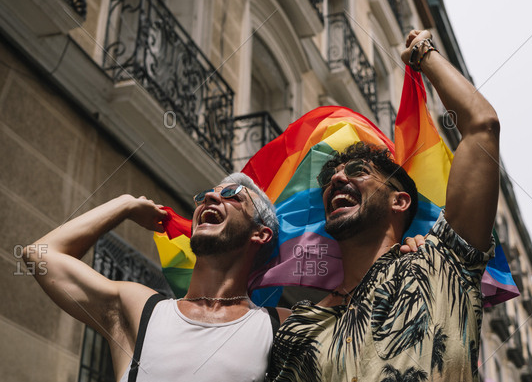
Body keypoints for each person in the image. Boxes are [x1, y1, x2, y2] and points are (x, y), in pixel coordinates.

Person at [267, 29, 500, 382]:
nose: (337, 180)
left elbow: (482, 125)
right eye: (331, 179)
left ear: (400, 200)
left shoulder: (443, 264)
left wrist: (423, 54)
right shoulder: (298, 328)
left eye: (358, 171)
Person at [23, 172, 290, 382]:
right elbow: (39, 255)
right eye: (205, 195)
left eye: (233, 194)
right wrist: (125, 205)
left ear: (260, 234)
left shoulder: (281, 327)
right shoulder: (141, 309)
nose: (209, 198)